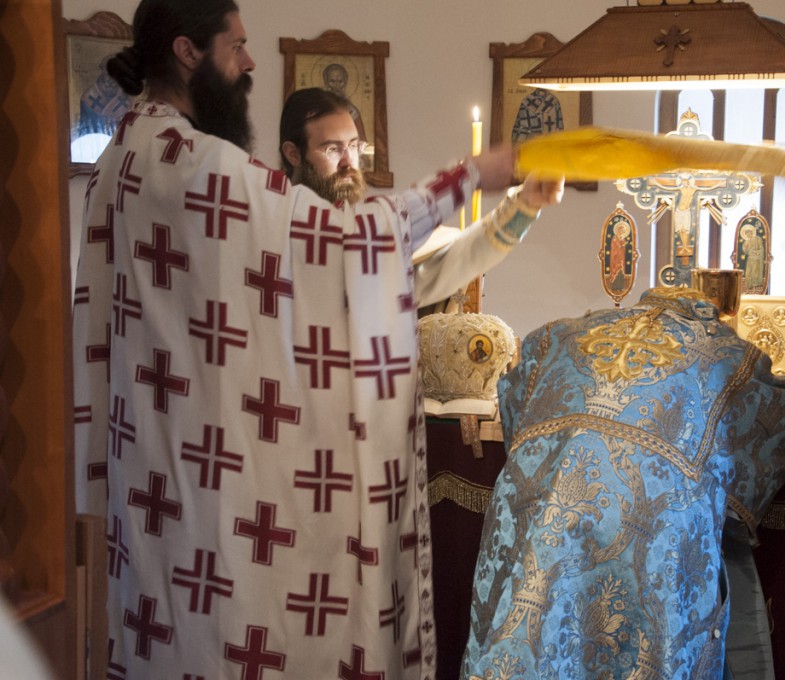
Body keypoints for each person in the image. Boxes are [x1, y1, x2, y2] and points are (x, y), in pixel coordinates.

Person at [73, 1, 519, 678]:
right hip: (206, 490)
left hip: (156, 483)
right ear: (189, 52)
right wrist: (472, 176)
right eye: (236, 46)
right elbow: (345, 241)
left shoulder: (121, 160)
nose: (249, 62)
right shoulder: (192, 163)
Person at [460, 284, 785, 678]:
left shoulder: (556, 334)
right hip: (649, 524)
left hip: (541, 514)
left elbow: (512, 404)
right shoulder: (733, 356)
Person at [278, 87, 564, 310]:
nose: (348, 162)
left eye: (354, 146)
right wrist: (472, 173)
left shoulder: (373, 238)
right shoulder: (274, 228)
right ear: (293, 154)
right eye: (332, 149)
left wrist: (526, 204)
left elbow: (454, 263)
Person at [321, 63, 367, 141]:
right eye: (332, 81)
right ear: (326, 82)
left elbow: (362, 140)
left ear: (345, 82)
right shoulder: (318, 107)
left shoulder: (352, 111)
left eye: (340, 81)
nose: (336, 86)